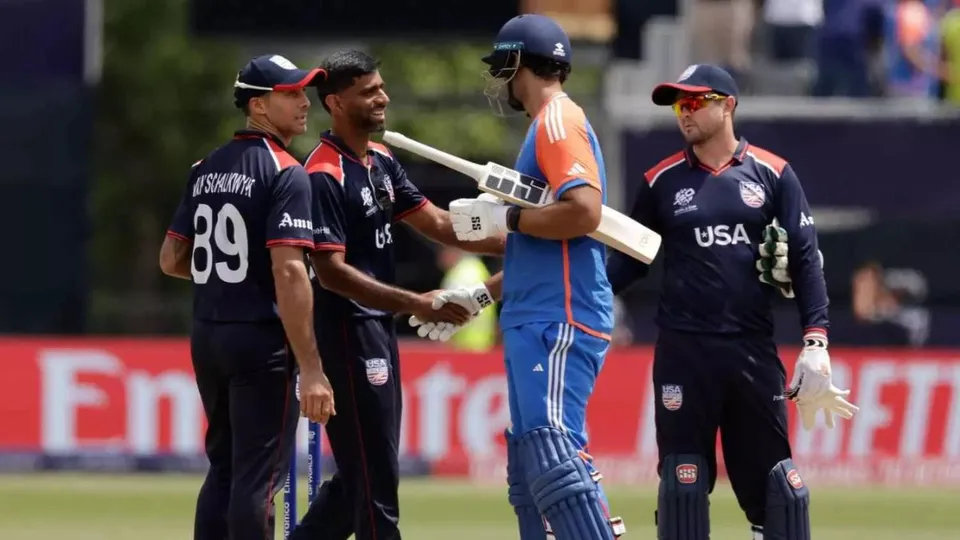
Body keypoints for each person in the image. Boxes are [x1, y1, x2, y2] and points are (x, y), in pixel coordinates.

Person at [605, 64, 860, 540]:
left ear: (728, 105)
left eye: (696, 102)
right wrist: (582, 301)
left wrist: (816, 341)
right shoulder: (660, 181)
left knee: (780, 493)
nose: (686, 113)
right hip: (684, 353)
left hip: (750, 351)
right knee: (682, 489)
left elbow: (805, 261)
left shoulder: (774, 173)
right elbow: (629, 262)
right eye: (680, 105)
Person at [420, 14, 627, 540]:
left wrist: (506, 218)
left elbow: (584, 212)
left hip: (559, 314)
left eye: (503, 68)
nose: (501, 81)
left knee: (552, 448)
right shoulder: (546, 126)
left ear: (518, 63)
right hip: (537, 309)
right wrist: (480, 295)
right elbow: (538, 246)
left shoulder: (557, 120)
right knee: (531, 463)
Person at [288, 50, 505, 540]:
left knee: (363, 476)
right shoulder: (324, 173)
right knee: (375, 483)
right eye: (369, 91)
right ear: (336, 103)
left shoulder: (382, 160)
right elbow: (331, 273)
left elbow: (442, 225)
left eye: (381, 86)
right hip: (344, 333)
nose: (382, 96)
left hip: (375, 330)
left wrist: (526, 236)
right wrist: (416, 303)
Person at [158, 54, 336, 540]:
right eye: (291, 94)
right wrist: (313, 367)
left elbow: (172, 259)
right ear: (258, 106)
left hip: (209, 333)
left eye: (304, 92)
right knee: (259, 480)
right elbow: (291, 274)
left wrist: (227, 280)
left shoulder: (205, 167)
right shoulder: (286, 172)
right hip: (262, 342)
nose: (304, 103)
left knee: (224, 469)